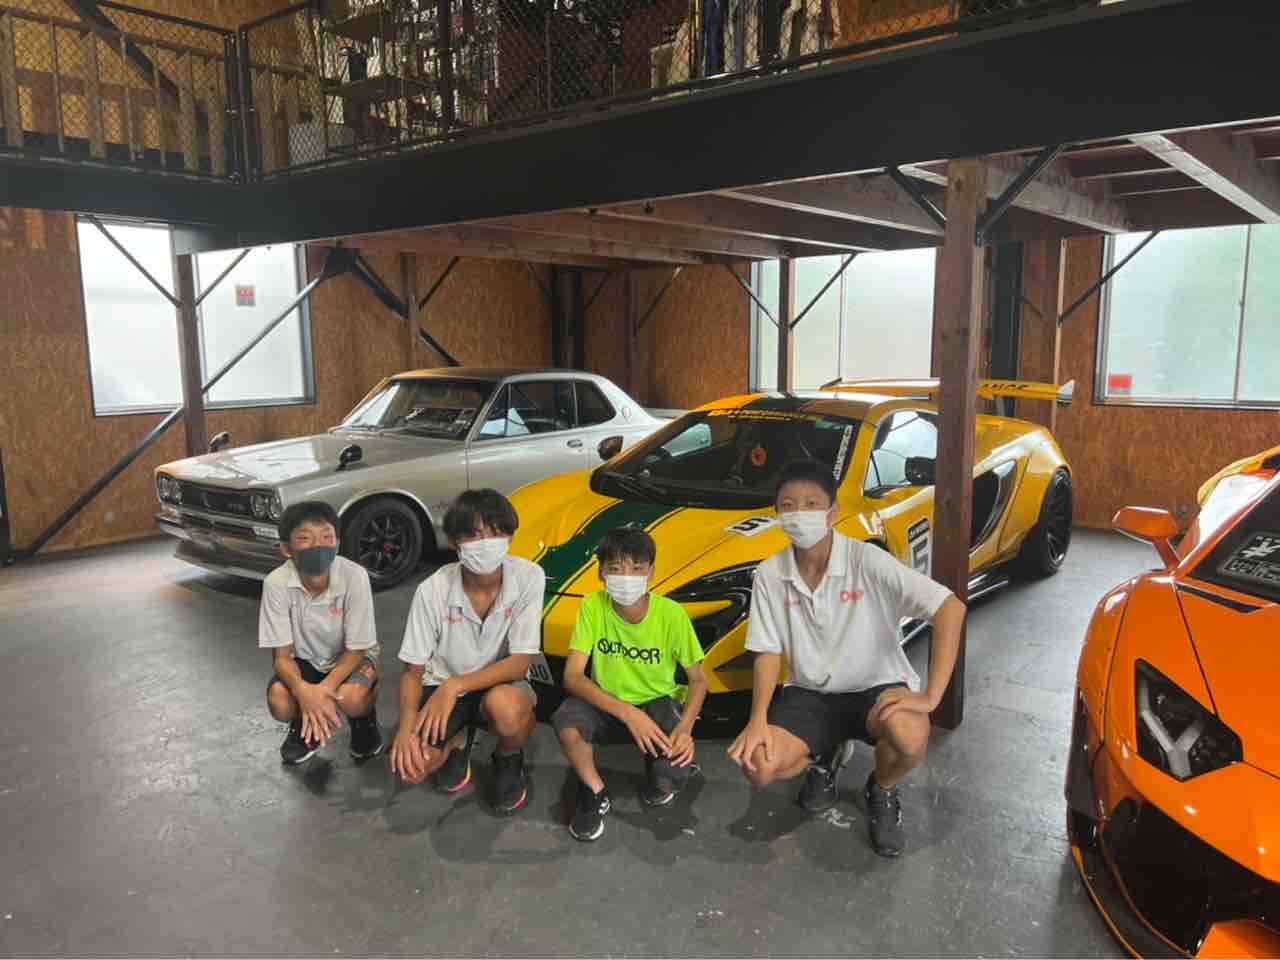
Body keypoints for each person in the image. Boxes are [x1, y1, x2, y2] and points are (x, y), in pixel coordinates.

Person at [728, 459, 966, 858]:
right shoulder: (769, 574)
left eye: (811, 504)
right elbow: (768, 651)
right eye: (788, 505)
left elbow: (949, 608)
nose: (799, 514)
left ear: (832, 511)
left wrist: (931, 696)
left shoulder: (865, 560)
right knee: (758, 765)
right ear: (777, 514)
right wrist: (757, 720)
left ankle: (882, 789)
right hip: (810, 693)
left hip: (875, 690)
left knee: (910, 738)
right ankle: (824, 757)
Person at [389, 489, 544, 815]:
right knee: (415, 767)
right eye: (474, 535)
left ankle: (508, 756)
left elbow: (520, 663)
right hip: (441, 685)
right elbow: (412, 671)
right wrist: (405, 728)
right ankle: (459, 740)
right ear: (454, 542)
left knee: (508, 711)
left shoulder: (529, 577)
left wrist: (455, 686)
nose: (487, 543)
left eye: (497, 532)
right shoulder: (432, 590)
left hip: (496, 683)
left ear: (510, 536)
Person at [552, 528, 709, 842]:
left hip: (658, 702)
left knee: (670, 776)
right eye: (615, 568)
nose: (626, 577)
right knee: (567, 723)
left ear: (651, 571)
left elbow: (698, 680)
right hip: (608, 703)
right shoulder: (593, 606)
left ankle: (660, 768)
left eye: (637, 568)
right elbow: (573, 676)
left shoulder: (671, 615)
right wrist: (627, 712)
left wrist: (685, 728)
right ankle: (593, 789)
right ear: (601, 573)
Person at [260, 501, 383, 765]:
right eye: (305, 538)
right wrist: (303, 691)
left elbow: (357, 649)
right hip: (305, 660)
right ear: (286, 548)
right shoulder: (275, 583)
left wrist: (323, 690)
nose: (319, 546)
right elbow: (281, 657)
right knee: (280, 701)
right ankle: (304, 725)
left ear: (337, 543)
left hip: (352, 658)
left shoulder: (354, 576)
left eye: (327, 537)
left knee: (351, 698)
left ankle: (364, 721)